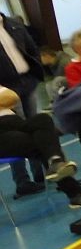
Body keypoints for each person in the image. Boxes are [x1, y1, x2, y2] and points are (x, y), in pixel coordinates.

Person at [0, 86, 81, 208]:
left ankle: (56, 162)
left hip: (14, 122)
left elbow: (11, 97)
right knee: (43, 143)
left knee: (43, 119)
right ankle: (75, 193)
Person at [0, 11, 47, 196]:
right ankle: (22, 181)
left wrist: (36, 72)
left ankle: (43, 173)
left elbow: (32, 48)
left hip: (28, 82)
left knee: (36, 127)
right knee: (14, 133)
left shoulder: (14, 24)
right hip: (6, 90)